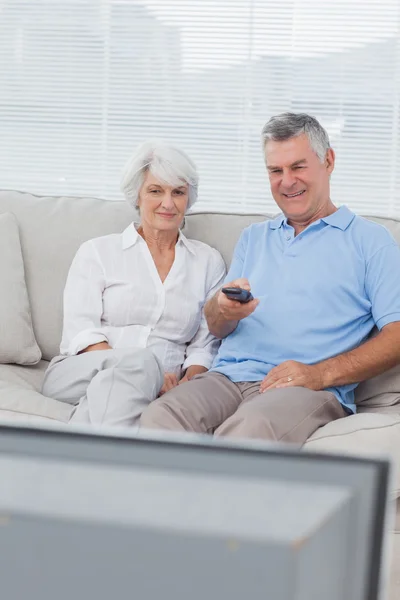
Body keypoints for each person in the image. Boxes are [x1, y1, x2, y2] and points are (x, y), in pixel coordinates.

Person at [140, 112, 400, 445]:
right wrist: (222, 310)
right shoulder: (254, 237)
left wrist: (319, 373)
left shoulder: (370, 241)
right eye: (276, 171)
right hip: (227, 377)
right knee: (159, 417)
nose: (286, 181)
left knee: (250, 429)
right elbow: (217, 325)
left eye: (298, 167)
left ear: (329, 161)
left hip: (303, 388)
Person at [42, 140, 226, 427]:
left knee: (114, 395)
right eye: (155, 191)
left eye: (178, 192)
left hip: (165, 387)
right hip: (79, 372)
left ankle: (78, 458)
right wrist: (147, 371)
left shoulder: (207, 262)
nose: (168, 203)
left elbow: (204, 345)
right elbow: (82, 332)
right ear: (137, 196)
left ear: (188, 199)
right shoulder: (98, 252)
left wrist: (190, 381)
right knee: (141, 363)